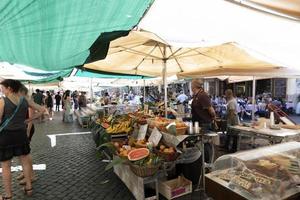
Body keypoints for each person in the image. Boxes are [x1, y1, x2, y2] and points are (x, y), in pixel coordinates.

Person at [0, 79, 47, 199]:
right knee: (25, 162)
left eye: (2, 88)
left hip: (6, 136)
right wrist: (29, 120)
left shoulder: (2, 101)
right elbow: (42, 110)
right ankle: (29, 187)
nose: (1, 90)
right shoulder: (24, 100)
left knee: (6, 166)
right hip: (21, 135)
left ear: (9, 88)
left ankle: (8, 195)